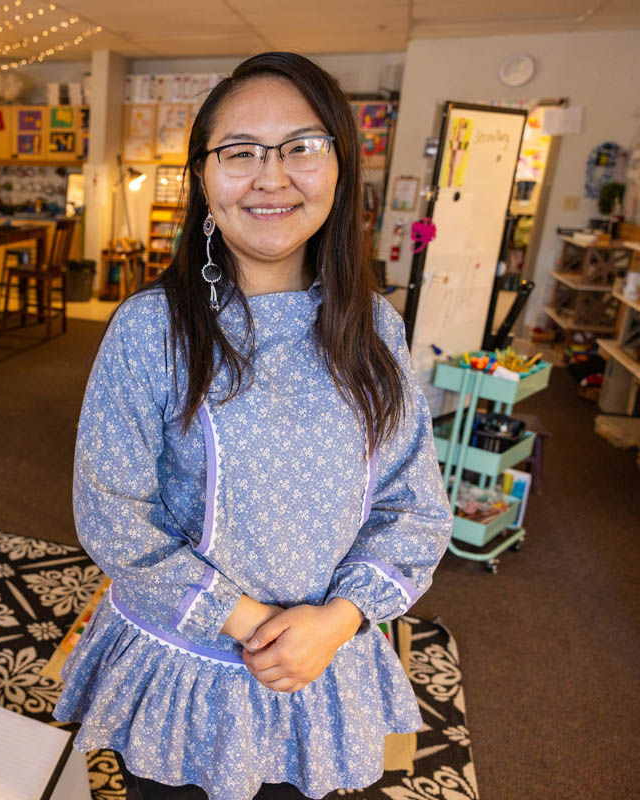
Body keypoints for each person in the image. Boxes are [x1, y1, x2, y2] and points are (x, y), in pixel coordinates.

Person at [52, 52, 452, 800]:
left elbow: (416, 507)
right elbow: (112, 513)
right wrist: (249, 622)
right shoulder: (151, 329)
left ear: (339, 167)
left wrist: (336, 620)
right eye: (239, 153)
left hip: (324, 672)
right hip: (186, 668)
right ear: (203, 178)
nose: (271, 177)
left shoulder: (374, 328)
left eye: (301, 147)